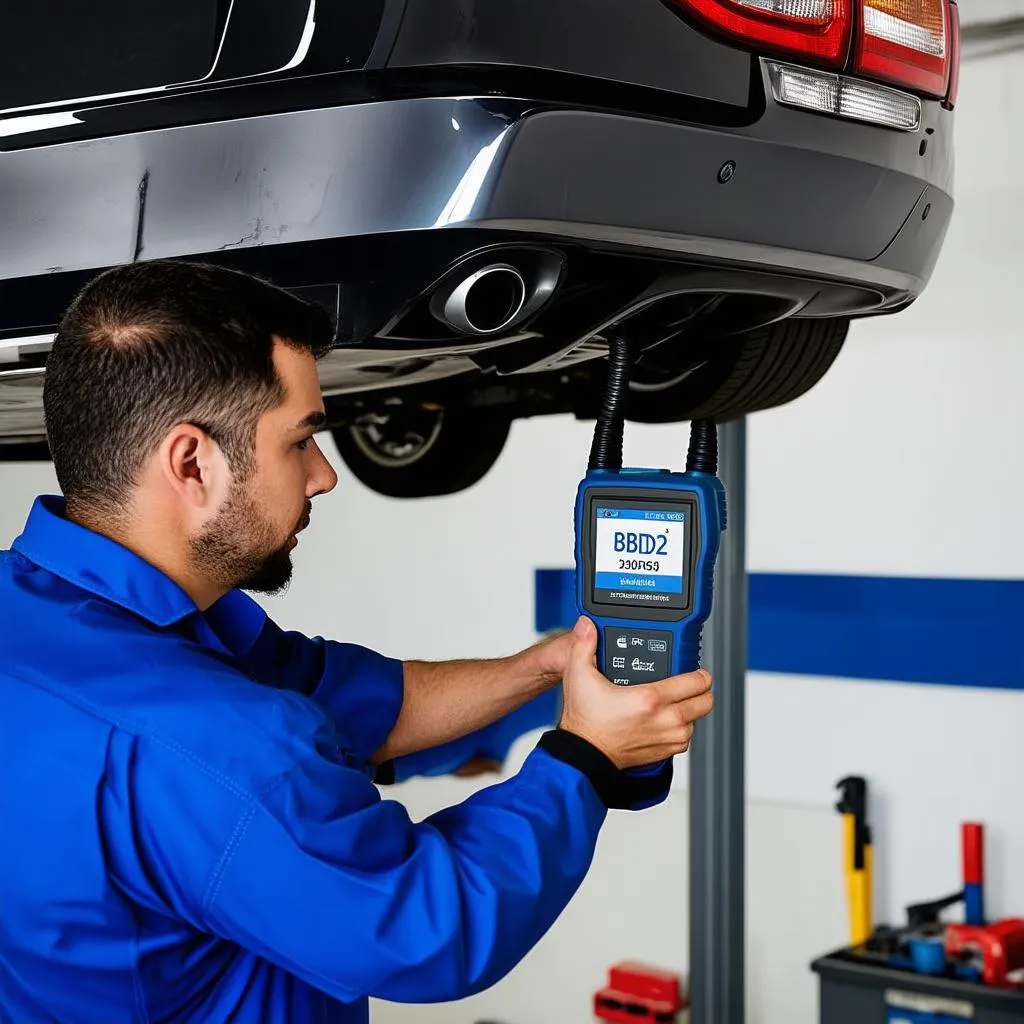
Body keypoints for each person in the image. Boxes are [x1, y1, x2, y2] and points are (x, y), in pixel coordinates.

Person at [0, 260, 714, 1024]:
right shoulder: (212, 743)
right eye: (300, 441)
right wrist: (585, 760)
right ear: (191, 462)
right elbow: (428, 927)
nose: (324, 475)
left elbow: (351, 702)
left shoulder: (72, 619)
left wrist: (540, 668)